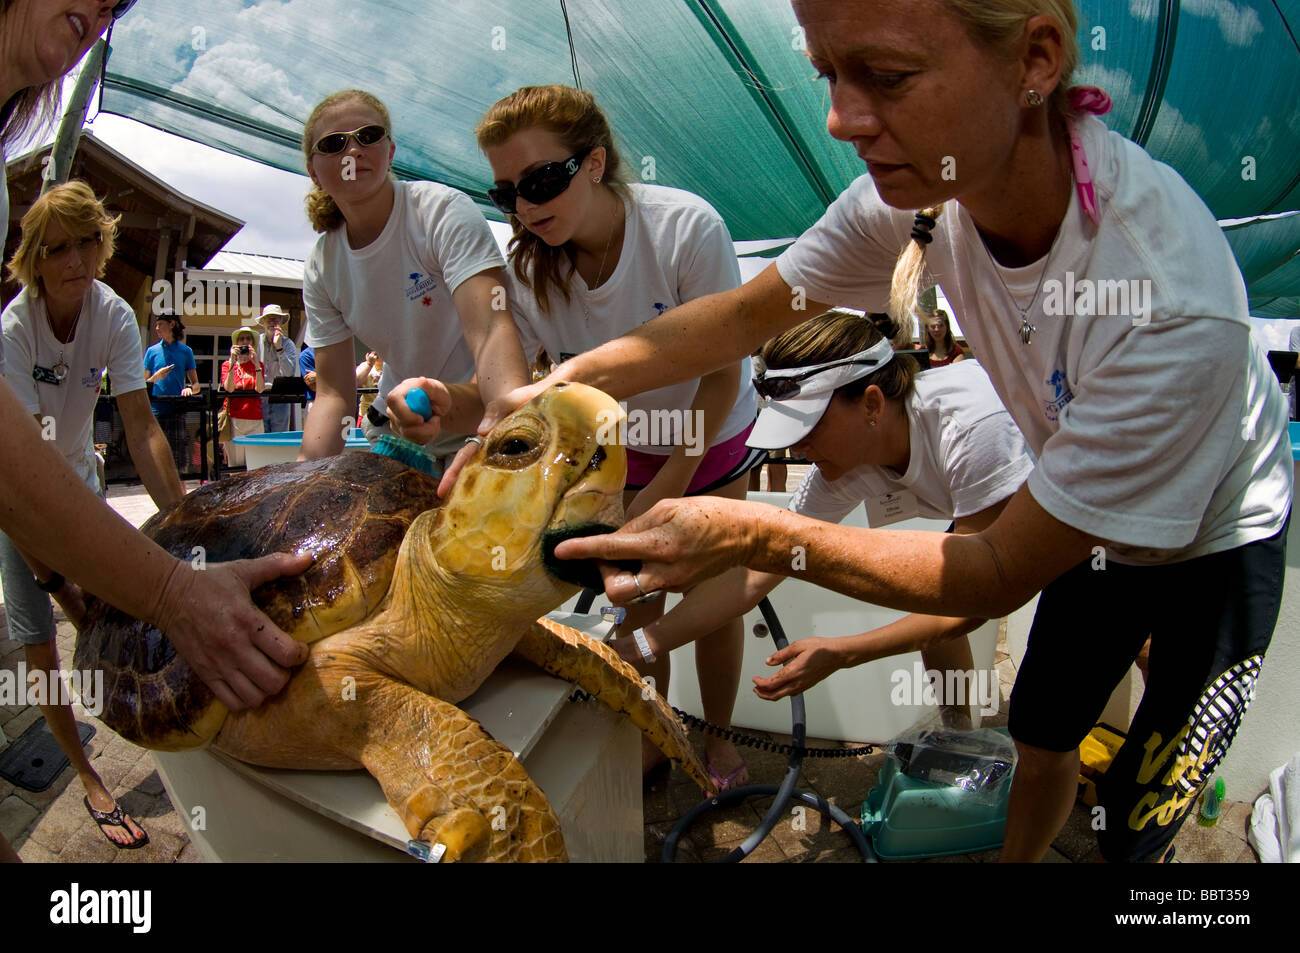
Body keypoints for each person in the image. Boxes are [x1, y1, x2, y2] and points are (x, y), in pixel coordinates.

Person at [476, 0, 1292, 864]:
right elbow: (749, 315)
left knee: (1143, 809)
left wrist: (753, 529)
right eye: (828, 73)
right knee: (1042, 729)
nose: (840, 120)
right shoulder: (915, 204)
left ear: (1037, 58)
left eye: (888, 76)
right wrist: (564, 380)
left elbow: (996, 572)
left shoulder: (1168, 303)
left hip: (1215, 540)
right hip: (1091, 529)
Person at [0, 0, 310, 864]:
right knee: (40, 643)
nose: (74, 265)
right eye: (56, 249)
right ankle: (87, 774)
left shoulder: (114, 315)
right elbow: (13, 468)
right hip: (14, 498)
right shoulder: (13, 332)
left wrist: (185, 531)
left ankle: (161, 732)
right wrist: (82, 567)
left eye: (85, 248)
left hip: (79, 479)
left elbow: (144, 429)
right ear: (31, 256)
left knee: (113, 620)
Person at [390, 85, 764, 788]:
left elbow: (720, 373)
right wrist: (450, 397)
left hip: (705, 434)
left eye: (541, 180)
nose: (526, 206)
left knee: (711, 598)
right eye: (506, 194)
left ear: (594, 162)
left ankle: (719, 742)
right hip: (619, 452)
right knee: (638, 599)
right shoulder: (530, 268)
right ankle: (655, 734)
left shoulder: (685, 228)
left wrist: (668, 484)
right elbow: (514, 389)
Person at [614, 310, 1032, 730]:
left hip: (1085, 524)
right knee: (937, 589)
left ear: (872, 403)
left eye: (809, 428)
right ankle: (956, 733)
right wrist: (640, 645)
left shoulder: (972, 430)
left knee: (1043, 728)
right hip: (1009, 520)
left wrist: (845, 651)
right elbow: (755, 575)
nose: (797, 446)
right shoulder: (844, 463)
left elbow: (980, 597)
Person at [296, 88, 529, 470]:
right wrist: (299, 480)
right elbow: (334, 392)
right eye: (334, 143)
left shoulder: (441, 212)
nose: (353, 151)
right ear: (313, 171)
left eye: (368, 136)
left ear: (389, 151)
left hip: (478, 419)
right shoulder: (322, 266)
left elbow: (491, 332)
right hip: (400, 433)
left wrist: (507, 435)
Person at [143, 310, 198, 473]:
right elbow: (142, 384)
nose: (157, 328)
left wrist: (189, 389)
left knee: (179, 461)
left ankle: (180, 494)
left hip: (177, 411)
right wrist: (155, 377)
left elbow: (196, 384)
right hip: (156, 411)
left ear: (172, 324)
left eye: (160, 324)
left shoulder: (186, 351)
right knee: (157, 458)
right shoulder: (151, 351)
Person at [219, 326, 263, 467]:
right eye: (242, 339)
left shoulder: (258, 364)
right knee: (236, 464)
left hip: (255, 418)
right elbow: (229, 388)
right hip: (235, 418)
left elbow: (260, 389)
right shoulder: (227, 365)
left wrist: (256, 363)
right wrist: (233, 360)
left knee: (256, 464)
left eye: (248, 339)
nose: (245, 342)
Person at [256, 303, 298, 433]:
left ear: (281, 322)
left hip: (280, 398)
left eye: (276, 319)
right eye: (269, 319)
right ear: (263, 322)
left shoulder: (288, 344)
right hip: (258, 397)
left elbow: (289, 373)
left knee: (278, 437)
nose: (272, 322)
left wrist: (279, 347)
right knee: (260, 437)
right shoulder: (256, 342)